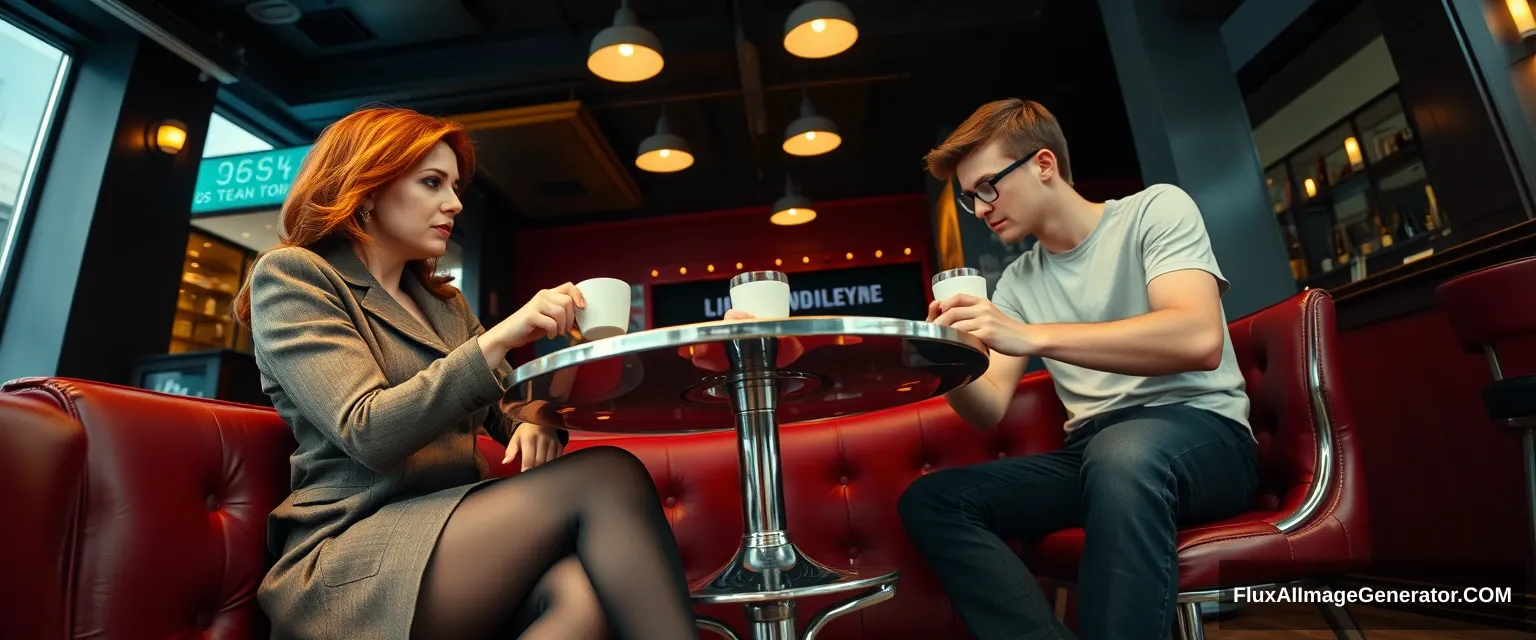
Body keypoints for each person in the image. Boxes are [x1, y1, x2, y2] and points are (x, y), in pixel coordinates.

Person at [237, 106, 698, 640]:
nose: (454, 203)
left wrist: (539, 412)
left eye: (454, 186)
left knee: (581, 592)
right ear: (366, 187)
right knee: (608, 474)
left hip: (449, 537)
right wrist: (502, 335)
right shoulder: (296, 276)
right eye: (432, 183)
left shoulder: (441, 302)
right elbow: (367, 430)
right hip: (351, 557)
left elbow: (505, 412)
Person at [896, 99, 1259, 639]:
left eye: (988, 186)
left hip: (1203, 437)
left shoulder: (1153, 211)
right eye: (971, 198)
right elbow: (988, 405)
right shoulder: (1019, 281)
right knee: (933, 500)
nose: (982, 207)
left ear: (1044, 164)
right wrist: (950, 359)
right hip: (1096, 455)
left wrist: (1033, 336)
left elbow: (1198, 338)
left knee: (1125, 453)